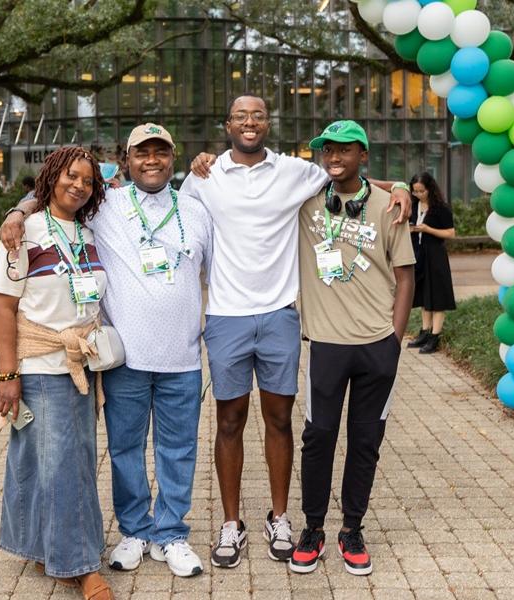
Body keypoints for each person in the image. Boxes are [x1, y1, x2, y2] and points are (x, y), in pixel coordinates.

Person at [183, 96, 411, 569]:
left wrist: (404, 186)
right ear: (227, 124)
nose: (249, 122)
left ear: (268, 123)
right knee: (233, 422)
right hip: (228, 316)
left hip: (283, 317)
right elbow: (174, 214)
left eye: (258, 115)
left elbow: (353, 180)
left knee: (285, 422)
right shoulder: (206, 175)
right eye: (240, 116)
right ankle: (235, 523)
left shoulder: (295, 172)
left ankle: (286, 519)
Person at [0, 123, 212, 578]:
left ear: (172, 158)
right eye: (142, 152)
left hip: (182, 358)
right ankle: (135, 530)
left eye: (160, 152)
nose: (151, 160)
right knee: (125, 450)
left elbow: (215, 275)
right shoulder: (105, 205)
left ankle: (171, 533)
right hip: (123, 359)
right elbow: (57, 194)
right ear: (127, 160)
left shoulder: (196, 209)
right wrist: (17, 211)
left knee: (178, 449)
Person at [289, 120, 415, 576]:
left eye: (344, 150)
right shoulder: (305, 201)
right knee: (318, 437)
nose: (334, 157)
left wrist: (394, 341)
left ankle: (352, 529)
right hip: (325, 344)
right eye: (327, 150)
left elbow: (406, 276)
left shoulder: (389, 207)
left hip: (376, 345)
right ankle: (313, 528)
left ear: (363, 154)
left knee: (365, 442)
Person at [0, 146, 114, 600]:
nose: (78, 185)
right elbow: (2, 306)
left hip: (81, 365)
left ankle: (44, 546)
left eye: (88, 180)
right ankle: (80, 565)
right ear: (51, 176)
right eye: (70, 176)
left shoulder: (90, 232)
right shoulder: (25, 232)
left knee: (55, 461)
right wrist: (8, 376)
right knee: (63, 467)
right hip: (41, 367)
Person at [406, 171, 456, 354]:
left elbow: (450, 233)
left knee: (437, 296)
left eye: (422, 191)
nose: (418, 194)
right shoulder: (413, 206)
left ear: (430, 189)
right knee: (423, 294)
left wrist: (427, 229)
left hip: (436, 256)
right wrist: (411, 229)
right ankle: (424, 332)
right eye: (415, 191)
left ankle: (435, 336)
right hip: (419, 255)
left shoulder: (440, 208)